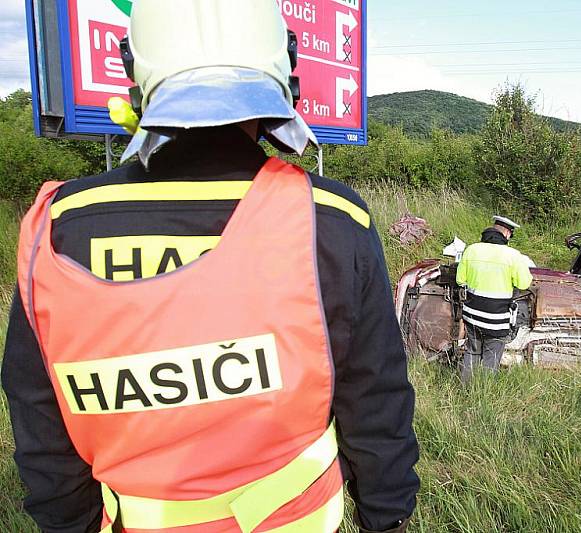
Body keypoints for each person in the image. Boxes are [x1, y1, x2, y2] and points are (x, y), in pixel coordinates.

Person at [1, 2, 418, 532]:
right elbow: (375, 404)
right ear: (284, 67)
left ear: (134, 70)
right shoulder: (332, 220)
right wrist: (388, 520)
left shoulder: (58, 228)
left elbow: (40, 416)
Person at [456, 216, 534, 382]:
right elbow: (524, 282)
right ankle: (483, 393)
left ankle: (465, 389)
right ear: (506, 234)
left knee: (472, 351)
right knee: (491, 357)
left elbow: (460, 280)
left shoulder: (471, 250)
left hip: (472, 315)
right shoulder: (513, 255)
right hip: (496, 319)